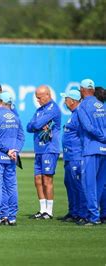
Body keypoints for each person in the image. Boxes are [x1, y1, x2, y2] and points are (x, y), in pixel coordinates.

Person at [0, 93, 24, 226]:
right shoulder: (15, 117)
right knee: (11, 187)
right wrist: (14, 151)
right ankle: (11, 217)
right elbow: (21, 137)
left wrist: (7, 150)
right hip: (11, 158)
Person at [27, 85, 61, 219]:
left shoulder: (53, 108)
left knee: (47, 179)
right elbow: (29, 126)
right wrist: (37, 124)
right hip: (39, 149)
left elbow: (35, 124)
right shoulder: (40, 110)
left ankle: (49, 211)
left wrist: (37, 124)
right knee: (38, 179)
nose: (38, 100)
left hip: (49, 148)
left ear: (48, 95)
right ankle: (42, 209)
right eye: (36, 98)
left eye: (40, 98)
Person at [77, 79, 106, 226]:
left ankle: (93, 217)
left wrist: (101, 136)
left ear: (82, 90)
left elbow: (88, 127)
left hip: (91, 148)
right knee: (100, 184)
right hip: (104, 149)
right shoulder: (101, 105)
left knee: (89, 184)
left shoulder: (83, 106)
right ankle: (99, 215)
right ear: (93, 89)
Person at [59, 89, 85, 223]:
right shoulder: (73, 114)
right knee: (69, 183)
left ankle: (82, 213)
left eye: (66, 98)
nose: (64, 101)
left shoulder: (79, 114)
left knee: (77, 184)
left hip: (76, 156)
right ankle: (73, 211)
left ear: (73, 101)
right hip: (69, 155)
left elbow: (83, 136)